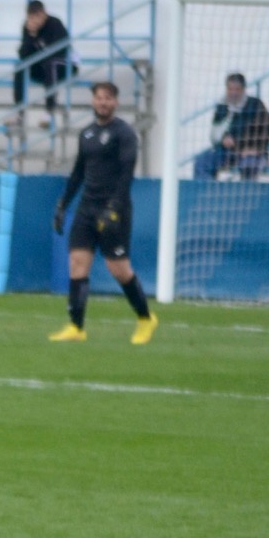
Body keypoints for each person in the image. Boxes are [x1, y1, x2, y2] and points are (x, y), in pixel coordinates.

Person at [50, 82, 156, 345]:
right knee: (77, 263)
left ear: (116, 102)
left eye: (108, 98)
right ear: (93, 102)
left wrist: (114, 208)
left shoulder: (125, 133)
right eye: (99, 98)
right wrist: (63, 204)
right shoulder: (86, 134)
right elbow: (78, 173)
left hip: (114, 210)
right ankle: (76, 327)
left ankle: (145, 318)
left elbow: (126, 174)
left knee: (119, 269)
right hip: (87, 208)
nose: (103, 103)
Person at [192, 73, 269, 180]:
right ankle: (206, 193)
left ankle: (246, 195)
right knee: (202, 161)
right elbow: (214, 134)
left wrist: (255, 149)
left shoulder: (255, 104)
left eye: (237, 89)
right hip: (227, 152)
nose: (233, 93)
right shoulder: (222, 106)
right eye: (230, 89)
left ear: (243, 89)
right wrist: (223, 139)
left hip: (251, 153)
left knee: (249, 165)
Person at [15, 0, 73, 118]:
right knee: (20, 67)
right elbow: (23, 55)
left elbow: (61, 51)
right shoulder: (27, 27)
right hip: (43, 67)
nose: (35, 20)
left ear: (44, 13)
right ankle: (19, 111)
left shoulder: (55, 23)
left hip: (64, 66)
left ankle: (49, 110)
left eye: (38, 16)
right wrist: (32, 35)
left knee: (50, 63)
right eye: (31, 17)